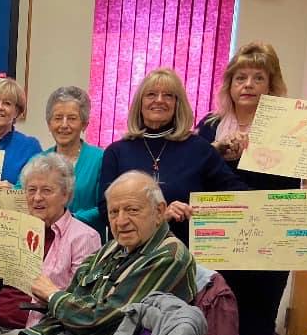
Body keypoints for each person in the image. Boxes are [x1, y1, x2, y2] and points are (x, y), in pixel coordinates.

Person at [196, 42, 307, 335]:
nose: (248, 84)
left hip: (271, 244)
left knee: (258, 330)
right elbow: (192, 175)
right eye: (240, 77)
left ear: (271, 85)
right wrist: (217, 152)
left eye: (258, 78)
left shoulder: (293, 128)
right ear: (229, 84)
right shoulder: (210, 127)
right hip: (219, 242)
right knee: (212, 324)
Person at [0, 171, 196, 335]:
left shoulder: (169, 256)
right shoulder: (112, 248)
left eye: (132, 210)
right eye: (114, 212)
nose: (121, 221)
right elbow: (71, 301)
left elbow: (98, 320)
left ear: (159, 211)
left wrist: (52, 295)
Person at [0, 154, 102, 330]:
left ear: (66, 195)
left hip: (32, 330)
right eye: (31, 190)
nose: (37, 198)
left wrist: (49, 295)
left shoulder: (84, 237)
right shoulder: (12, 226)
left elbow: (79, 305)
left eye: (46, 190)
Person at [98, 68, 246, 246]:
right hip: (134, 255)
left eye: (168, 95)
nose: (159, 100)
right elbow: (106, 210)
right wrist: (159, 218)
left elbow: (236, 195)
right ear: (140, 103)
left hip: (188, 253)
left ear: (177, 104)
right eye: (151, 94)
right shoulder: (116, 152)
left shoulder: (199, 149)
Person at [41, 86, 104, 231]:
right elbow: (22, 195)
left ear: (84, 124)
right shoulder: (39, 161)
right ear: (49, 124)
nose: (64, 125)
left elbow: (105, 206)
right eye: (58, 118)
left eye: (72, 118)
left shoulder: (100, 158)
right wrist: (7, 190)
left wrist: (69, 220)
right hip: (46, 240)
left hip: (87, 239)